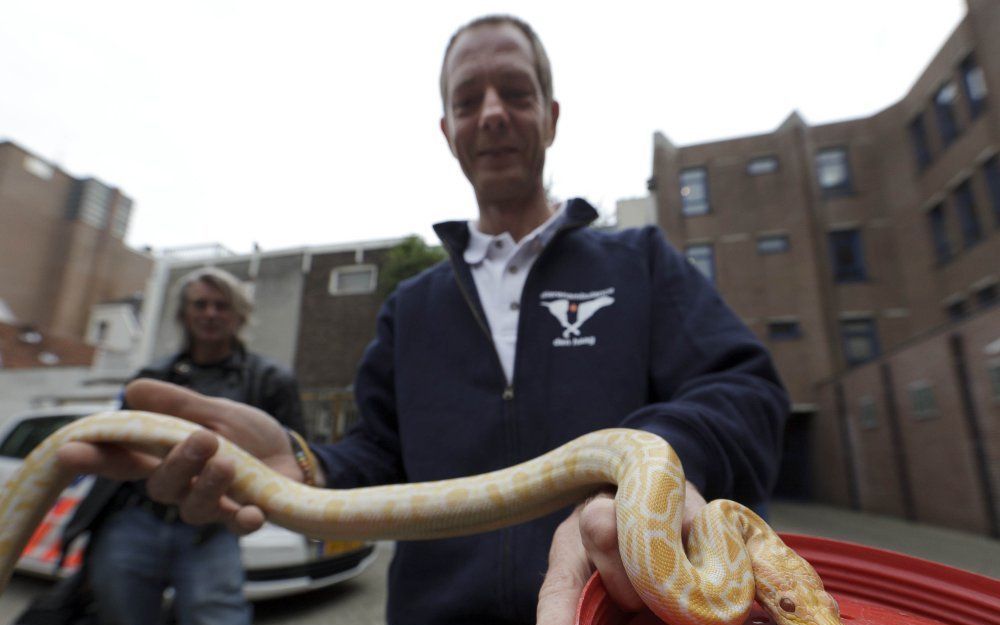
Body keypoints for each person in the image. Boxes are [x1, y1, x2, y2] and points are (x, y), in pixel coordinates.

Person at [58, 15, 789, 625]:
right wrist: (299, 464)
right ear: (447, 129)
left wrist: (647, 475)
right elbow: (378, 456)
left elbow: (747, 392)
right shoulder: (413, 307)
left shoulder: (640, 263)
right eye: (469, 99)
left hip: (616, 609)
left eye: (516, 91)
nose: (493, 111)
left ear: (552, 116)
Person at [61, 267, 305, 625]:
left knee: (217, 616)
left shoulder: (270, 379)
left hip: (213, 528)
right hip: (134, 518)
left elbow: (296, 450)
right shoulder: (151, 377)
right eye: (200, 304)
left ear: (239, 314)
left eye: (221, 305)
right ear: (183, 314)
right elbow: (117, 445)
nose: (210, 313)